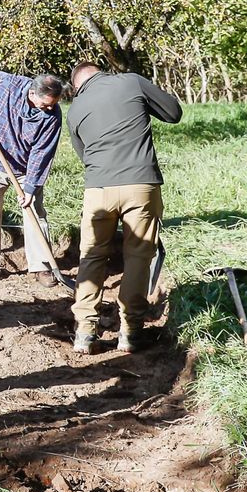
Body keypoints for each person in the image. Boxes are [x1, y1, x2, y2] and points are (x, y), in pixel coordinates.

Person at [66, 63, 182, 354]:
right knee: (138, 257)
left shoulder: (75, 109)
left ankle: (85, 331)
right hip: (140, 185)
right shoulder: (131, 82)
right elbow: (173, 113)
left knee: (91, 256)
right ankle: (129, 332)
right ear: (101, 73)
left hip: (98, 190)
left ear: (78, 86)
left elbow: (84, 155)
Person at [0, 69, 66, 285]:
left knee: (34, 211)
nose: (51, 108)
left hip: (24, 168)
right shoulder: (8, 85)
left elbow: (42, 154)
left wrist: (30, 187)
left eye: (54, 104)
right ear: (32, 94)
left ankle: (43, 266)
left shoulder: (53, 116)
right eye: (46, 104)